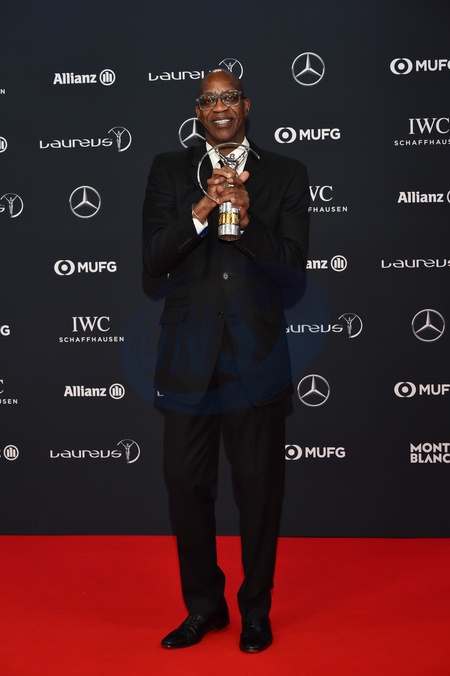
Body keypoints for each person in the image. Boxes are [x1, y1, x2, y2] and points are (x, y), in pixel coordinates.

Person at [142, 68, 309, 653]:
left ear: (246, 106)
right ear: (198, 111)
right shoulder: (169, 169)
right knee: (187, 486)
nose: (220, 107)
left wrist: (248, 217)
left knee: (259, 489)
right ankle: (204, 607)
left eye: (229, 97)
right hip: (187, 355)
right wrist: (202, 207)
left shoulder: (286, 173)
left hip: (255, 358)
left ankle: (256, 610)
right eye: (209, 99)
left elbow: (293, 271)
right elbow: (153, 261)